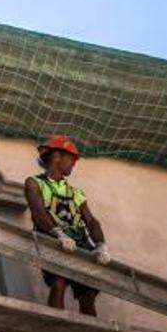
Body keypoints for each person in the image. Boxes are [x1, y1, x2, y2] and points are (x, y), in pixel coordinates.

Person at [24, 135, 111, 316]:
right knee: (58, 282)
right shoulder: (34, 183)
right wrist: (58, 234)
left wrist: (101, 245)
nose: (74, 163)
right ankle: (55, 325)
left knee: (88, 291)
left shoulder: (76, 192)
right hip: (51, 237)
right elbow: (38, 213)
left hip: (80, 241)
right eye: (71, 158)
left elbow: (91, 221)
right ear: (57, 156)